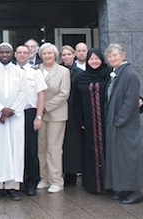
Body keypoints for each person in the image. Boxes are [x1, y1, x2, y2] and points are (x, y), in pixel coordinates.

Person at [0, 43, 30, 201]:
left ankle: (12, 186)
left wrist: (11, 111)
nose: (4, 55)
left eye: (7, 52)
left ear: (12, 54)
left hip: (15, 119)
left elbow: (24, 94)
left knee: (15, 150)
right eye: (1, 52)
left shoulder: (20, 72)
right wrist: (1, 110)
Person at [104, 43, 143, 204]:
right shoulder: (117, 73)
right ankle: (122, 189)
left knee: (129, 157)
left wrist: (119, 120)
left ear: (123, 56)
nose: (112, 58)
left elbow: (130, 100)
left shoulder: (129, 74)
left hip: (124, 125)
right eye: (110, 56)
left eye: (115, 55)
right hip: (116, 123)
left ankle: (135, 191)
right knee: (119, 158)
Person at [72, 48, 111, 194]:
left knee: (108, 153)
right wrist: (80, 120)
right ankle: (92, 185)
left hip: (107, 122)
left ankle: (109, 184)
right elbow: (76, 101)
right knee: (90, 153)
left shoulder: (109, 74)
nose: (94, 62)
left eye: (97, 59)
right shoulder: (81, 77)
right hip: (88, 123)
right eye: (91, 59)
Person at [36, 43, 71, 194]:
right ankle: (45, 178)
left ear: (55, 55)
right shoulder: (37, 69)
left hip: (56, 114)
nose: (47, 56)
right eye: (44, 54)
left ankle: (57, 180)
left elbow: (64, 94)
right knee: (42, 148)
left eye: (50, 53)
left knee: (54, 148)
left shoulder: (63, 71)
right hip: (40, 116)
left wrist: (45, 106)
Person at [14, 44, 46, 197]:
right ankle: (15, 182)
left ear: (29, 55)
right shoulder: (10, 72)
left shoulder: (35, 73)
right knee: (15, 149)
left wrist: (38, 117)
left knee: (31, 149)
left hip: (29, 113)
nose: (21, 55)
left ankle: (31, 182)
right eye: (19, 52)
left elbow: (41, 96)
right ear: (15, 55)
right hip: (13, 115)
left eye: (24, 53)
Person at [60, 45, 83, 186]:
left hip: (73, 112)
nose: (67, 57)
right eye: (64, 55)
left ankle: (71, 174)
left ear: (74, 55)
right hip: (59, 110)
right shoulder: (58, 70)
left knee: (72, 145)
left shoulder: (79, 73)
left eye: (69, 54)